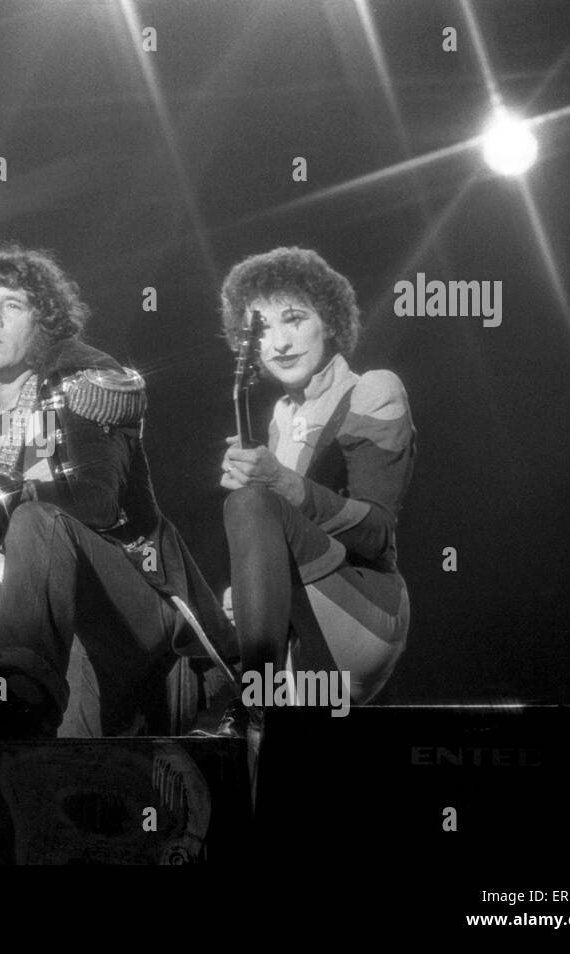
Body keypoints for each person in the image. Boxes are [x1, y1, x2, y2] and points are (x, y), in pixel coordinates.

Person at [0, 242, 238, 739]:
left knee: (36, 517)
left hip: (140, 600)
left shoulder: (83, 380)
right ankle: (20, 709)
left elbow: (99, 501)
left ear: (43, 323)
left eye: (13, 305)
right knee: (61, 783)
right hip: (67, 640)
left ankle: (15, 704)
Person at [215, 246, 415, 755]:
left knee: (252, 505)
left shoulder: (372, 389)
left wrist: (278, 485)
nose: (278, 342)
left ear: (329, 322)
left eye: (294, 319)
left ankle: (251, 698)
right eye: (261, 328)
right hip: (304, 631)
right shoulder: (281, 415)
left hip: (366, 609)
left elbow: (378, 533)